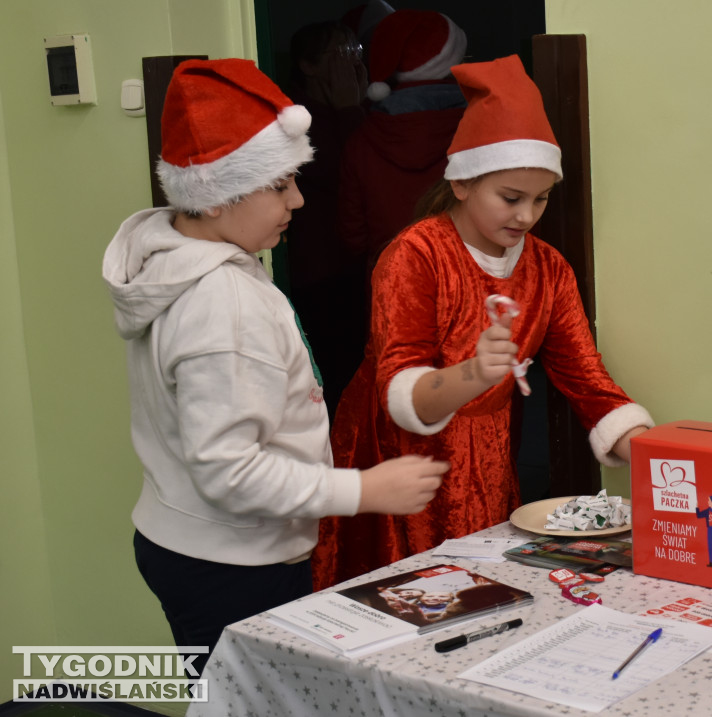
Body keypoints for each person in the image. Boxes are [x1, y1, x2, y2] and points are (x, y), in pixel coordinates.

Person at [101, 58, 448, 673]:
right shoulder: (224, 304)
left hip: (182, 539)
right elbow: (230, 473)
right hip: (230, 563)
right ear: (216, 195)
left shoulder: (181, 255)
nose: (298, 198)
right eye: (280, 183)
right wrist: (363, 490)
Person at [312, 55, 654, 588]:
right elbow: (400, 395)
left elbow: (589, 383)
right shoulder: (415, 256)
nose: (526, 216)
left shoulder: (547, 268)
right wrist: (474, 373)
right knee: (407, 602)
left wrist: (663, 462)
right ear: (463, 184)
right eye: (511, 198)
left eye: (541, 199)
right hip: (399, 462)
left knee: (483, 594)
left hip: (487, 458)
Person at [336, 9, 468, 290]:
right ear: (453, 59)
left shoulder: (361, 140)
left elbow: (353, 236)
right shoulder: (481, 128)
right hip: (464, 278)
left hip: (390, 279)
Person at [285, 20, 370, 413]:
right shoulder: (293, 117)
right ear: (308, 65)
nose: (350, 64)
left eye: (355, 52)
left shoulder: (348, 107)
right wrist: (349, 107)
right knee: (333, 379)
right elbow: (348, 172)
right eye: (340, 54)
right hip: (317, 272)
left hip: (354, 263)